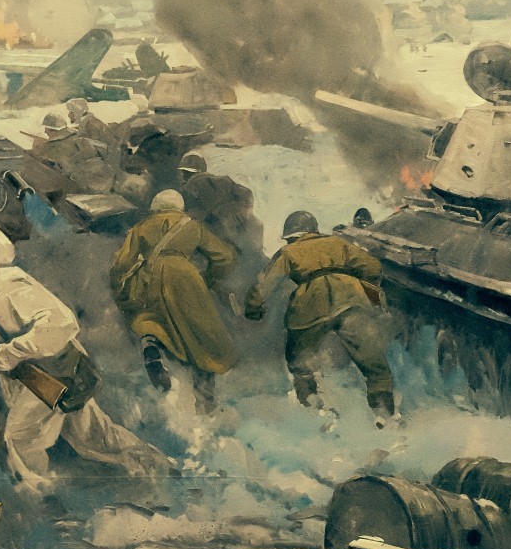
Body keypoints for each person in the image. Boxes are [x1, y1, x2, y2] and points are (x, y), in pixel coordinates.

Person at [0, 216, 173, 488]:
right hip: (47, 375)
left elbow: (61, 322)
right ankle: (157, 464)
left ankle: (41, 497)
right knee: (95, 437)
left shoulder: (10, 286)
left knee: (20, 437)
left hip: (52, 372)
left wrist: (14, 351)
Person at [243, 210, 397, 427]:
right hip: (350, 300)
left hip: (309, 306)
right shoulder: (337, 243)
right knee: (373, 360)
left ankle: (315, 408)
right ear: (314, 230)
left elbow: (264, 284)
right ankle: (384, 414)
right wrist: (358, 285)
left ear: (292, 236)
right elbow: (373, 267)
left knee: (300, 360)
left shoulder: (289, 252)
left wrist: (253, 308)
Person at [109, 190, 241, 412]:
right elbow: (225, 256)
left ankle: (151, 347)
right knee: (200, 337)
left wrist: (119, 288)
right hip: (186, 279)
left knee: (150, 320)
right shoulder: (192, 226)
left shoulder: (142, 227)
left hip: (149, 277)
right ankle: (205, 403)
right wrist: (208, 278)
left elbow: (121, 264)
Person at [177, 151, 263, 283]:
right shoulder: (224, 181)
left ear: (184, 173)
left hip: (219, 240)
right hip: (244, 235)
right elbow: (247, 194)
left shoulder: (188, 189)